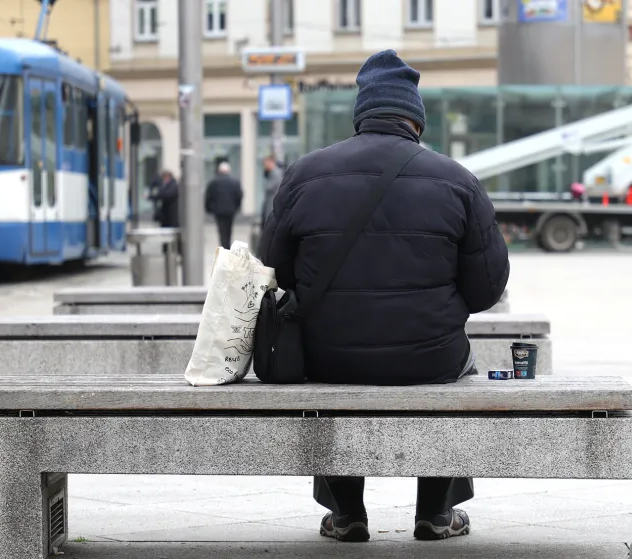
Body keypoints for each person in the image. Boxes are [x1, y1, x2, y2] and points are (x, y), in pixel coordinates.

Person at [259, 50, 509, 543]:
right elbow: (486, 290)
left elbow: (277, 269)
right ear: (416, 120)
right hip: (429, 357)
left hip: (328, 357)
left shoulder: (305, 174)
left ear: (361, 116)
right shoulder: (457, 180)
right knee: (456, 370)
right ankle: (436, 513)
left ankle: (347, 511)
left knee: (323, 369)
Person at [204, 161, 243, 249]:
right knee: (229, 229)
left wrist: (209, 208)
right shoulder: (235, 182)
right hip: (230, 210)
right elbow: (239, 195)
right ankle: (227, 245)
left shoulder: (213, 182)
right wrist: (236, 207)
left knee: (221, 229)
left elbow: (208, 196)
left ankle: (223, 245)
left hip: (219, 211)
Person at [260, 154, 283, 228]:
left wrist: (265, 179)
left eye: (265, 163)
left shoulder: (275, 173)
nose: (264, 165)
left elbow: (268, 187)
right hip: (270, 203)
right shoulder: (273, 173)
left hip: (272, 203)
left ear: (271, 162)